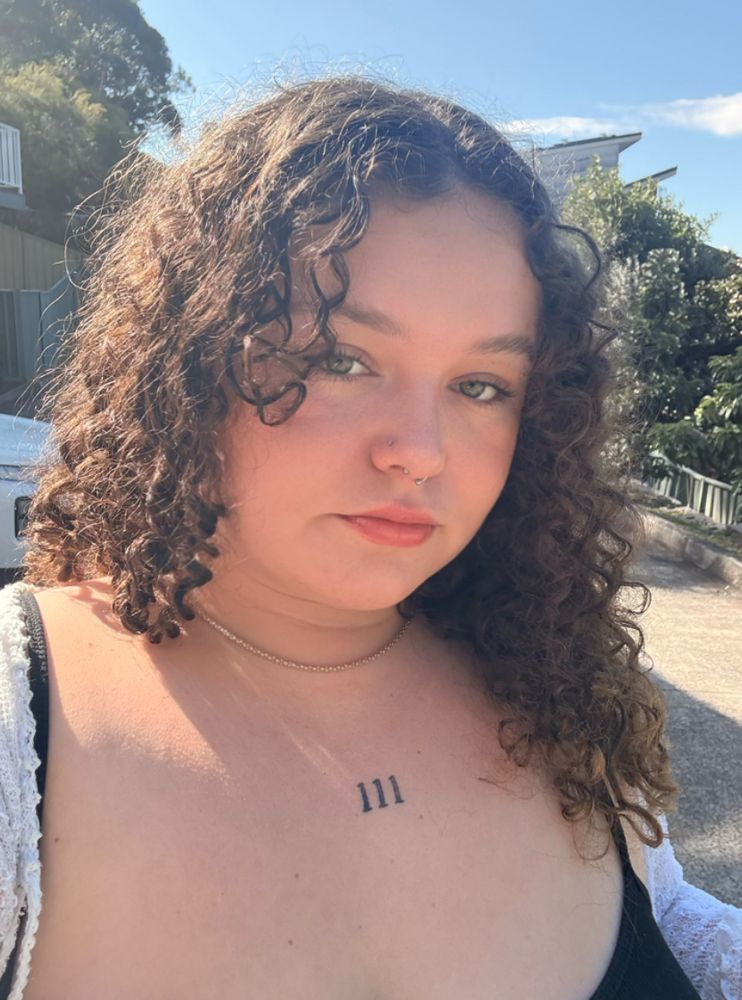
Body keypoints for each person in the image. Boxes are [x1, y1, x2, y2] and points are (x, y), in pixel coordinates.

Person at [0, 75, 739, 999]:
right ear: (190, 361)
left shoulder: (549, 682)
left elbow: (668, 918)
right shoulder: (22, 727)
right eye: (340, 359)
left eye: (481, 387)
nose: (421, 452)